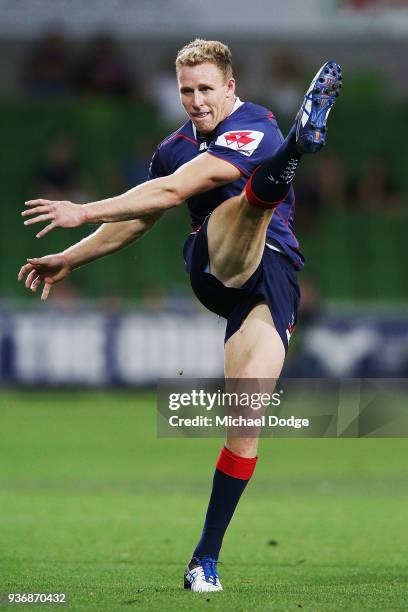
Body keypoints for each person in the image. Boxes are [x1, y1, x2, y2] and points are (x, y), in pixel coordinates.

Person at [18, 39, 342, 593]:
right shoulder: (174, 148)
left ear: (230, 87)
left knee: (245, 425)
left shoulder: (252, 124)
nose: (195, 100)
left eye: (205, 88)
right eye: (186, 91)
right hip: (213, 263)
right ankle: (295, 153)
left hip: (274, 283)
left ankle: (203, 561)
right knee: (237, 207)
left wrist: (81, 209)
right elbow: (146, 213)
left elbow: (173, 190)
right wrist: (71, 257)